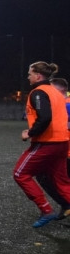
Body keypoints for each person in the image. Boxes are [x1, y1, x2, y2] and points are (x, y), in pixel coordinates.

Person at [13, 61, 70, 227]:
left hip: (48, 143)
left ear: (38, 75)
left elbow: (45, 117)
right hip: (63, 143)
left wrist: (29, 133)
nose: (28, 76)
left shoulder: (38, 92)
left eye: (30, 73)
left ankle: (46, 210)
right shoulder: (55, 92)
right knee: (61, 181)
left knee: (20, 174)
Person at [37, 77, 70, 217]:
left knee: (43, 175)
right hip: (60, 150)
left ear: (60, 90)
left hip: (64, 151)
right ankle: (65, 204)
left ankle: (66, 204)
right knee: (43, 175)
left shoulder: (66, 104)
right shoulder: (61, 103)